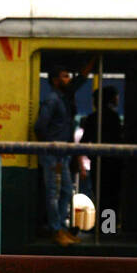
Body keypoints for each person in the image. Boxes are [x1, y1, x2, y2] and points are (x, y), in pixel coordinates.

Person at [34, 58, 95, 246]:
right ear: (55, 80)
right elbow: (40, 127)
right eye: (65, 76)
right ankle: (56, 230)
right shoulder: (52, 100)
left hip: (63, 154)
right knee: (54, 193)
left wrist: (91, 62)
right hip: (53, 154)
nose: (69, 79)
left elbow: (79, 81)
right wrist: (51, 146)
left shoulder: (64, 97)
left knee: (66, 191)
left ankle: (61, 227)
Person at [80, 86, 124, 231]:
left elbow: (84, 141)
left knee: (100, 195)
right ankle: (108, 227)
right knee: (111, 196)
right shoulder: (113, 117)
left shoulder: (92, 118)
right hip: (113, 163)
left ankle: (102, 225)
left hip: (98, 162)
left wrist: (92, 155)